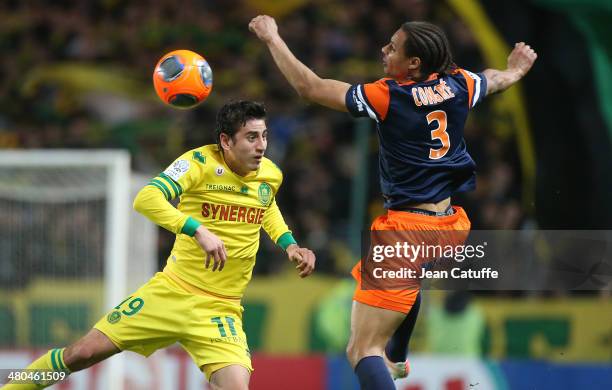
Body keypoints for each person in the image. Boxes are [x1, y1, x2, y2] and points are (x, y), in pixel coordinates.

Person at [249, 15, 536, 389]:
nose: (384, 51)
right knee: (404, 287)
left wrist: (272, 38)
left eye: (393, 47)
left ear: (413, 64)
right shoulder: (460, 83)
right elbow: (494, 80)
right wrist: (515, 70)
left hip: (408, 231)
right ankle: (398, 358)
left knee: (361, 349)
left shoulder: (388, 95)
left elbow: (310, 87)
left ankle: (390, 359)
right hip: (448, 225)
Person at [2, 100, 316, 390]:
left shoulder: (270, 174)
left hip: (221, 308)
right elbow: (146, 198)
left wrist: (289, 244)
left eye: (264, 136)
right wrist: (197, 230)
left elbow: (266, 206)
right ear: (226, 141)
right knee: (80, 353)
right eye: (251, 137)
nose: (261, 146)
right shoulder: (197, 163)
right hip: (171, 292)